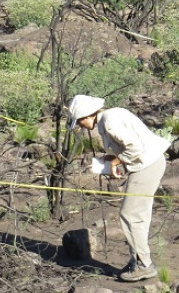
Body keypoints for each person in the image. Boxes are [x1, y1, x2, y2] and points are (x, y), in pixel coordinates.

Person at [67, 95, 170, 282]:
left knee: (130, 215)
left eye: (80, 122)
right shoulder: (110, 116)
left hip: (147, 165)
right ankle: (138, 260)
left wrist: (115, 161)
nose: (81, 126)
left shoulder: (108, 121)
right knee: (138, 215)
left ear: (87, 115)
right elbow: (128, 145)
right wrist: (111, 158)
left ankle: (144, 265)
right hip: (149, 163)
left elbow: (134, 148)